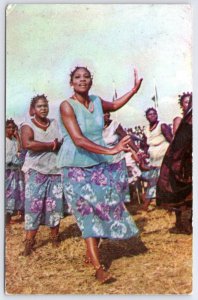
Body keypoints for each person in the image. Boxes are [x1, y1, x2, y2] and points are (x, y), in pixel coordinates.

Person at [57, 66, 143, 284]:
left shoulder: (96, 101)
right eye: (78, 77)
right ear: (71, 82)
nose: (82, 80)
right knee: (87, 214)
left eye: (86, 77)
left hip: (97, 164)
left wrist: (133, 90)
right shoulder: (67, 106)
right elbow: (78, 140)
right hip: (75, 166)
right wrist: (111, 150)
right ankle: (99, 268)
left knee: (105, 207)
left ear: (91, 81)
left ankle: (90, 250)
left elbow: (114, 105)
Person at [20, 94, 63, 256]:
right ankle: (29, 242)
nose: (43, 109)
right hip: (35, 170)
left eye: (45, 105)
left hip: (54, 169)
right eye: (39, 106)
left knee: (54, 205)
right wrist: (51, 145)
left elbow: (63, 141)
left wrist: (57, 146)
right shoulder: (27, 125)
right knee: (33, 206)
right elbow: (27, 144)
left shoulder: (54, 123)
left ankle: (54, 237)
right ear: (33, 109)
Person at [156, 94, 192, 234]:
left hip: (190, 158)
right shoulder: (179, 120)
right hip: (179, 159)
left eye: (191, 102)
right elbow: (177, 138)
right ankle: (179, 222)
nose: (189, 104)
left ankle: (189, 222)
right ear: (182, 105)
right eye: (186, 102)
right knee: (177, 190)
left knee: (191, 191)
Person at [140, 108, 173, 211]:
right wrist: (144, 154)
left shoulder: (162, 125)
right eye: (150, 114)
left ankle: (148, 203)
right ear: (147, 117)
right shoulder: (146, 129)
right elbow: (144, 144)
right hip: (153, 159)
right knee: (154, 180)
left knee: (160, 180)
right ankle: (155, 202)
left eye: (154, 114)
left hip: (163, 156)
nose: (153, 115)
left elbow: (171, 140)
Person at [5, 119, 25, 224]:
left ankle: (18, 214)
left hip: (16, 170)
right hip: (6, 171)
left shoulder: (14, 140)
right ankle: (6, 217)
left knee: (17, 192)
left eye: (13, 127)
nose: (11, 129)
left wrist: (18, 138)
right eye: (8, 127)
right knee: (7, 193)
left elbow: (20, 151)